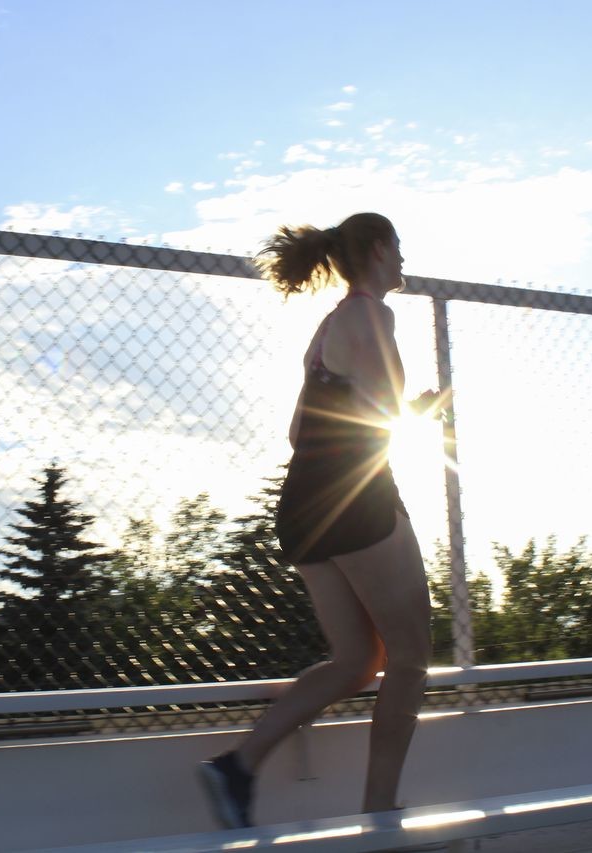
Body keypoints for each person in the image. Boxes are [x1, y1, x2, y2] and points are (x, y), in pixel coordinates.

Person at [199, 212, 439, 828]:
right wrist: (427, 407)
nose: (404, 260)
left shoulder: (329, 326)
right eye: (399, 246)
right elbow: (386, 409)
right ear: (381, 249)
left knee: (358, 659)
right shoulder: (372, 314)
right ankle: (382, 816)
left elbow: (299, 431)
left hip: (304, 502)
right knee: (410, 654)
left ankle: (238, 766)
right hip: (353, 498)